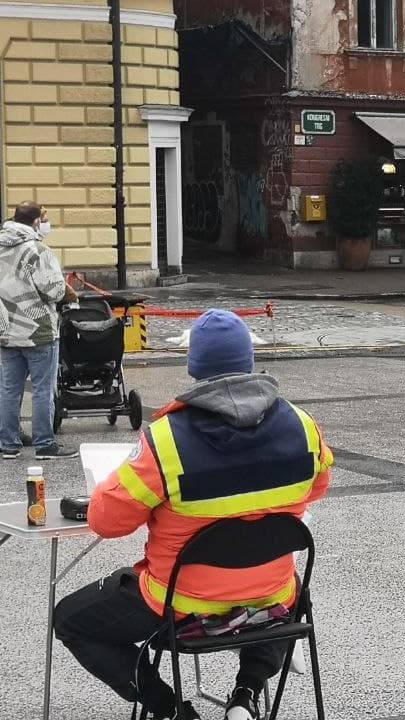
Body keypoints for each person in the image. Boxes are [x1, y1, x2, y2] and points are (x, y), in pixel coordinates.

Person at [53, 310, 334, 720]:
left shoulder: (166, 440)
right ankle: (247, 694)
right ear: (249, 359)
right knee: (290, 593)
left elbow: (105, 522)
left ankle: (168, 708)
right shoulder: (303, 425)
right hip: (269, 595)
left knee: (70, 619)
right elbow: (317, 487)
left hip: (181, 605)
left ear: (194, 366)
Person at [0, 201, 77, 460]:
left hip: (6, 329)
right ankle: (44, 444)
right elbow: (54, 290)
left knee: (9, 389)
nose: (45, 223)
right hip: (38, 331)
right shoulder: (39, 251)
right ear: (35, 221)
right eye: (43, 219)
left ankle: (8, 443)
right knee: (43, 388)